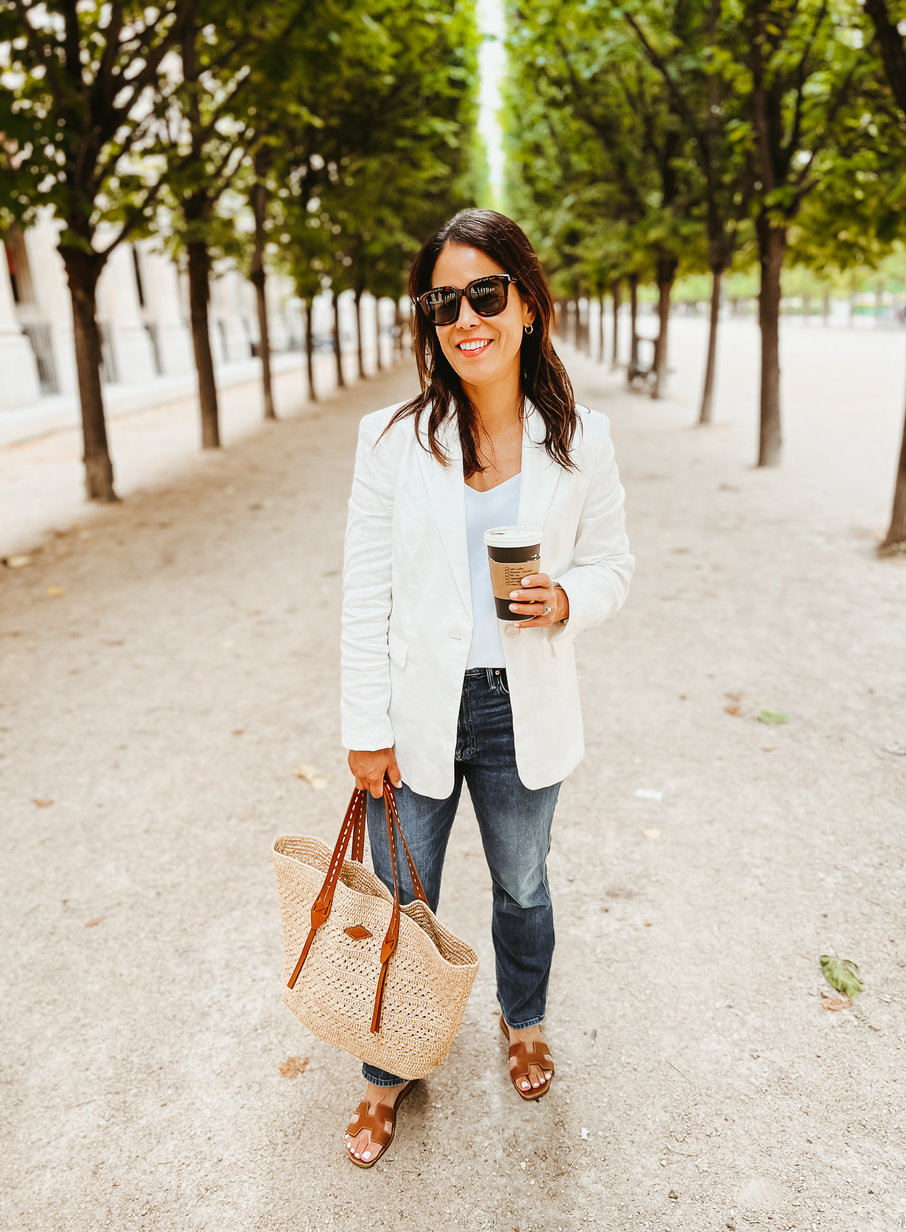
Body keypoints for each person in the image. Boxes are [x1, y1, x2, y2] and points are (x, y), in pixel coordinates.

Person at [340, 209, 634, 1167]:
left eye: (485, 293)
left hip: (523, 707)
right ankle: (389, 1068)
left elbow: (614, 566)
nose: (464, 316)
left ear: (528, 305)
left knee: (522, 884)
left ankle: (524, 1018)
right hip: (417, 707)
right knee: (401, 898)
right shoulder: (389, 441)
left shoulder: (581, 440)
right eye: (442, 300)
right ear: (428, 320)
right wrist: (363, 727)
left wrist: (566, 599)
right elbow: (363, 596)